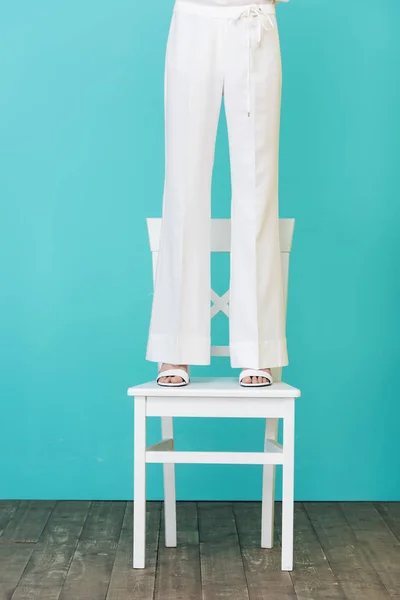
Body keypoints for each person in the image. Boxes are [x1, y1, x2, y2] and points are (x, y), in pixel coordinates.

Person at [146, 0, 290, 388]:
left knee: (257, 184)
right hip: (194, 18)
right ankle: (175, 345)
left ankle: (257, 347)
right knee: (183, 184)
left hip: (254, 18)